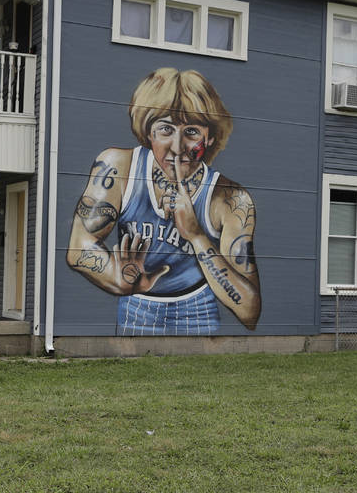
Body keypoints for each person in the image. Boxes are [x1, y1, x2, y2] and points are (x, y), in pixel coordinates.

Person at [66, 67, 261, 335]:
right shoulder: (119, 168)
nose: (177, 147)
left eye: (191, 131)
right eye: (166, 129)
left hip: (198, 307)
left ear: (210, 136)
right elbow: (79, 247)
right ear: (148, 132)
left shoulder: (229, 199)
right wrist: (119, 279)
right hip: (138, 306)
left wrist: (196, 236)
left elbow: (249, 310)